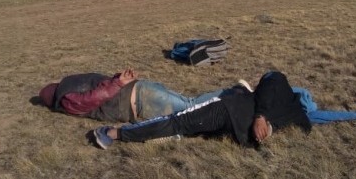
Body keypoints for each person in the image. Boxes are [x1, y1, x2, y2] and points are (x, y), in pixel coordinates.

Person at [89, 71, 356, 150]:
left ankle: (115, 134)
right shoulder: (302, 119)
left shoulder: (292, 105)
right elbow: (331, 116)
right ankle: (120, 134)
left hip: (230, 110)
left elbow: (273, 78)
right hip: (236, 123)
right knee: (184, 122)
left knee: (180, 119)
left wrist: (261, 117)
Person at [37, 68, 253, 123]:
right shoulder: (73, 81)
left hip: (141, 101)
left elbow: (92, 99)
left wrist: (118, 82)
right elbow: (98, 86)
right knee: (189, 102)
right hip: (142, 90)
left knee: (190, 105)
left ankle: (235, 92)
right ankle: (235, 96)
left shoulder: (66, 100)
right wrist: (119, 80)